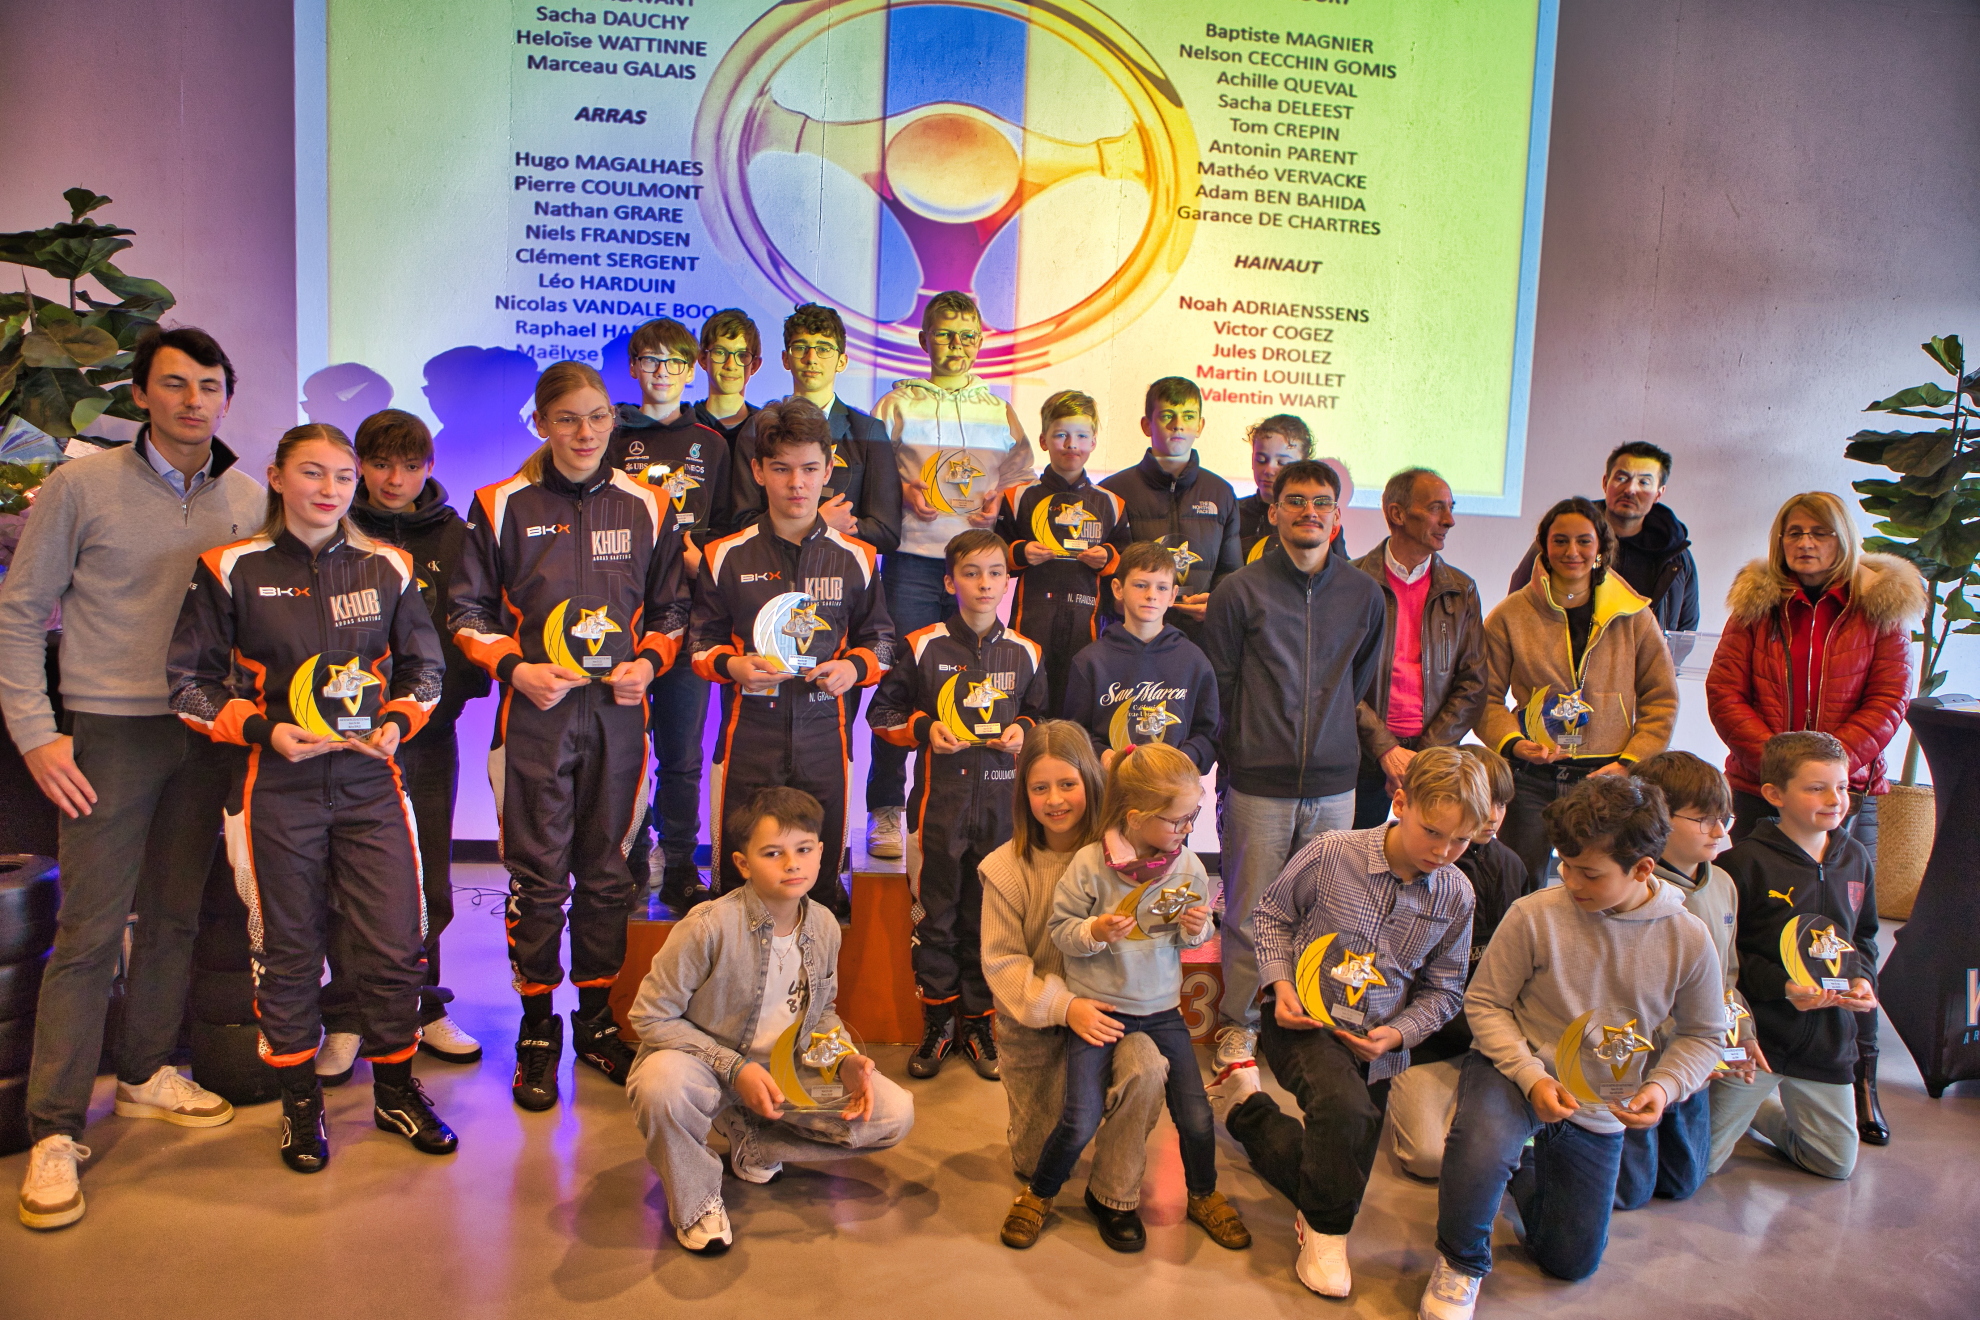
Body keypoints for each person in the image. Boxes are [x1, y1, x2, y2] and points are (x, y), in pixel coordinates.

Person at [4, 326, 262, 1231]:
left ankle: (147, 1071)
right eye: (175, 384)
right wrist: (38, 735)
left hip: (203, 732)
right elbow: (20, 612)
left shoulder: (248, 498)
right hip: (109, 734)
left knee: (175, 913)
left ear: (227, 397)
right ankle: (54, 1127)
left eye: (210, 386)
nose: (194, 401)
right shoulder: (81, 487)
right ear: (142, 394)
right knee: (88, 930)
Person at [168, 422, 454, 1171]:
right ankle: (301, 1106)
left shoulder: (388, 564)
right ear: (277, 477)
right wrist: (264, 731)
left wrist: (397, 723)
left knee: (395, 944)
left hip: (371, 783)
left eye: (342, 476)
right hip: (277, 786)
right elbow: (188, 687)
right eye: (312, 473)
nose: (330, 490)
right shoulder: (230, 566)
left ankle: (395, 1090)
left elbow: (425, 671)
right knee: (288, 951)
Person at [449, 360, 687, 1112]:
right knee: (539, 880)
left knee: (609, 876)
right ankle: (536, 1028)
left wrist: (649, 663)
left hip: (619, 718)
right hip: (535, 718)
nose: (585, 433)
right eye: (567, 419)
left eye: (597, 417)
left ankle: (594, 1021)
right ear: (541, 424)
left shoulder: (649, 504)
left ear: (614, 420)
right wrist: (516, 669)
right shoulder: (499, 504)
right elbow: (466, 613)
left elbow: (673, 611)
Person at [1419, 776, 1723, 1320]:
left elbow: (1704, 1035)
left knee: (1570, 1261)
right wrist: (1530, 1075)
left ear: (1643, 869)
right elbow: (1485, 1004)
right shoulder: (1534, 914)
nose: (1570, 879)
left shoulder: (1689, 937)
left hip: (1600, 1094)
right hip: (1514, 1070)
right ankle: (1460, 1260)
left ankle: (1523, 1166)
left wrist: (1663, 1087)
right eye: (1565, 864)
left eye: (1590, 873)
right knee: (1481, 1144)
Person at [1221, 747, 1487, 1297]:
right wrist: (1280, 985)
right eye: (1432, 832)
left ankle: (1248, 1113)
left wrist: (1400, 1033)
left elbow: (1445, 990)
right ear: (1400, 803)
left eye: (1460, 841)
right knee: (1345, 1117)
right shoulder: (1331, 852)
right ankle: (1324, 1235)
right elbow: (1271, 915)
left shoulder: (1457, 894)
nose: (1443, 851)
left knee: (1339, 1167)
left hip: (1376, 1043)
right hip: (1302, 1021)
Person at [1705, 490, 1923, 1144]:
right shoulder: (1756, 606)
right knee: (1752, 927)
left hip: (1847, 791)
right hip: (1759, 788)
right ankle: (1741, 1059)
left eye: (1819, 534)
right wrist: (1781, 770)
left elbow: (1891, 698)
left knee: (1849, 940)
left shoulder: (1879, 609)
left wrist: (1822, 773)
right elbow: (1725, 692)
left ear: (1842, 539)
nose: (1805, 544)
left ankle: (1861, 1081)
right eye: (1794, 532)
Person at [625, 786, 915, 1255]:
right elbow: (651, 1016)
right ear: (743, 864)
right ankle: (697, 1199)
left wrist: (843, 1060)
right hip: (706, 1065)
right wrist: (735, 1068)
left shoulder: (824, 926)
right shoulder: (707, 926)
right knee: (660, 1086)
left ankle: (754, 1140)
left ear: (821, 852)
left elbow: (820, 1016)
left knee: (892, 1115)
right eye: (773, 853)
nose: (792, 864)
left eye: (804, 849)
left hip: (782, 1069)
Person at [999, 742, 1250, 1253]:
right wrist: (1094, 931)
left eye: (1192, 817)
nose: (1186, 829)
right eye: (1177, 820)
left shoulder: (1187, 866)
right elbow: (1061, 931)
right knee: (1079, 1117)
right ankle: (1039, 1194)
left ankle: (1203, 1193)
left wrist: (1198, 929)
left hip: (1161, 1011)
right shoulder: (1091, 865)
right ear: (1136, 818)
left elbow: (1186, 939)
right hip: (1100, 1011)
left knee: (1197, 1115)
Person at [1201, 459, 1386, 1078]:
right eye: (1297, 500)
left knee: (1326, 912)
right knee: (1249, 912)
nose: (1310, 511)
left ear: (1337, 516)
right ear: (1275, 510)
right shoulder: (1239, 591)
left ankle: (1307, 1022)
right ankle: (1240, 1023)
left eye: (1322, 502)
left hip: (1335, 785)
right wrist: (1244, 753)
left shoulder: (1364, 594)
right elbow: (1221, 687)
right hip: (1259, 783)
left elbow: (1359, 682)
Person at [326, 408, 491, 1074]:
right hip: (345, 735)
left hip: (426, 734)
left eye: (410, 465)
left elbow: (474, 619)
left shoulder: (456, 536)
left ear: (430, 466)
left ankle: (423, 1005)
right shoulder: (335, 528)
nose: (395, 479)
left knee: (427, 879)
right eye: (380, 464)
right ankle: (346, 1016)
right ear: (360, 466)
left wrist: (443, 702)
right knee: (345, 881)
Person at [690, 397, 893, 909]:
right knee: (737, 882)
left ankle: (814, 963)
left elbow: (883, 643)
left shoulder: (858, 557)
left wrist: (853, 668)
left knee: (820, 886)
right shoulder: (725, 554)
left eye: (809, 469)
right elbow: (699, 644)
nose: (796, 484)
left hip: (826, 738)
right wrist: (733, 665)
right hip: (748, 738)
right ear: (758, 471)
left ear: (829, 470)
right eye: (781, 469)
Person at [979, 720, 1170, 1252]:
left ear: (1091, 780)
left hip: (1113, 1016)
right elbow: (1002, 964)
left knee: (1147, 1067)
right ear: (1023, 795)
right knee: (1034, 1160)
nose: (1055, 800)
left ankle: (1114, 1193)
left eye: (1068, 784)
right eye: (1039, 787)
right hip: (1038, 1024)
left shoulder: (1125, 862)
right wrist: (1065, 1007)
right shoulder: (1004, 869)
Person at [869, 530, 1047, 1079]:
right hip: (937, 809)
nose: (984, 583)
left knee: (989, 919)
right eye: (971, 573)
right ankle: (938, 1024)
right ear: (950, 582)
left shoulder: (1027, 651)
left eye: (995, 572)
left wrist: (1023, 730)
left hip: (1002, 812)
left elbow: (1042, 717)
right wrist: (925, 728)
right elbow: (882, 714)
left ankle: (979, 1025)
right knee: (935, 919)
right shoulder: (922, 645)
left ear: (1008, 581)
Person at [864, 291, 1032, 861]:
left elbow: (1021, 473)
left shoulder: (999, 410)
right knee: (900, 682)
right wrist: (901, 490)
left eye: (967, 336)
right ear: (924, 340)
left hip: (976, 570)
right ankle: (887, 809)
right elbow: (871, 472)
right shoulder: (896, 403)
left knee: (972, 687)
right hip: (913, 562)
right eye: (944, 334)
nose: (956, 345)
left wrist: (1001, 497)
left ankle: (959, 810)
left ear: (981, 342)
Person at [1706, 732, 1878, 1183]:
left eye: (1842, 787)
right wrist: (1781, 986)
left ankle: (1762, 1114)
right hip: (1759, 1041)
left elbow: (1864, 937)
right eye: (1816, 788)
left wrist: (1863, 981)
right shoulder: (1741, 864)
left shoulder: (1856, 858)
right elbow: (1725, 956)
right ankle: (1748, 1104)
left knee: (1834, 1163)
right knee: (1698, 1165)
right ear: (1774, 794)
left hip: (1827, 1042)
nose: (1835, 799)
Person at [1481, 496, 1678, 887]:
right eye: (1560, 540)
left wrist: (1629, 763)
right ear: (1544, 546)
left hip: (1608, 777)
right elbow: (1484, 697)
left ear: (1601, 547)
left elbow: (1661, 700)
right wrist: (1514, 743)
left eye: (1584, 541)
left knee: (1602, 884)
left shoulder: (1634, 615)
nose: (1572, 551)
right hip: (1531, 776)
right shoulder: (1509, 615)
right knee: (1520, 884)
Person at [605, 317, 732, 909]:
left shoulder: (712, 443)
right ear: (634, 367)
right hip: (621, 623)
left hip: (689, 618)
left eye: (675, 363)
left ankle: (680, 861)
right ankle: (630, 857)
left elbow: (731, 530)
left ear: (691, 371)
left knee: (681, 755)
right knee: (625, 751)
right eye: (651, 361)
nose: (662, 372)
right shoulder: (608, 436)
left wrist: (700, 559)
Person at [1613, 751, 1754, 1208]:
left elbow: (1727, 975)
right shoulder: (1627, 888)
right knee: (1629, 1192)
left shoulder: (1723, 885)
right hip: (1636, 1057)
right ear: (1656, 818)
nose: (1719, 831)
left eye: (1724, 819)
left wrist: (1741, 1031)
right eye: (1704, 820)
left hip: (1695, 1055)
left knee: (1682, 1182)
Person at [1385, 745, 1533, 1181]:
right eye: (1484, 803)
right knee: (1430, 1159)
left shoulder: (1512, 866)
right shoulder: (1423, 864)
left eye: (1501, 803)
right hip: (1426, 1043)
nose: (1493, 816)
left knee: (1507, 1152)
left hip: (1492, 1043)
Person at [1350, 467, 1486, 829]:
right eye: (1436, 508)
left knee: (1427, 858)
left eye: (1451, 508)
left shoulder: (1462, 589)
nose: (1450, 520)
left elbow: (1473, 684)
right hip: (1360, 753)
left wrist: (1421, 758)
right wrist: (1385, 748)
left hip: (1434, 756)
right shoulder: (1351, 582)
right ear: (1397, 514)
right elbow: (1335, 678)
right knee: (1351, 859)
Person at [728, 302, 903, 556]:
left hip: (841, 569)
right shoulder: (757, 429)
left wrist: (828, 530)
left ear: (842, 361)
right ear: (785, 359)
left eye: (823, 349)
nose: (811, 359)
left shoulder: (867, 432)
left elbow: (886, 532)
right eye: (801, 348)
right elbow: (741, 523)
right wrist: (818, 525)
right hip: (772, 568)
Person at [995, 390, 1126, 717]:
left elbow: (1127, 560)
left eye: (1081, 436)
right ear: (1043, 441)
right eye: (1061, 435)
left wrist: (1108, 558)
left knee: (1078, 708)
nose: (1071, 444)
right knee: (1028, 705)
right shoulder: (1017, 497)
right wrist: (1021, 552)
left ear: (1093, 442)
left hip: (1087, 621)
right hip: (1032, 617)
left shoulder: (1111, 502)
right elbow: (996, 557)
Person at [1098, 377, 1242, 642]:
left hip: (1201, 638)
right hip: (1132, 637)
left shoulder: (1221, 492)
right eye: (1167, 415)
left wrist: (1216, 603)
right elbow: (1103, 570)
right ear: (1146, 425)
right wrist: (1119, 604)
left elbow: (1231, 572)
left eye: (1188, 416)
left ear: (1200, 426)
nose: (1178, 424)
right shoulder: (1112, 491)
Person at [1507, 441, 1700, 633]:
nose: (1630, 489)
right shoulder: (1562, 538)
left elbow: (1686, 629)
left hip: (1645, 653)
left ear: (1658, 493)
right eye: (1622, 478)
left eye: (1644, 482)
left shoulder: (1675, 556)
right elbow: (1517, 604)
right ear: (1605, 483)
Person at [1062, 541, 1219, 773]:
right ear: (1118, 589)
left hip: (1173, 786)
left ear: (1173, 594)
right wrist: (1103, 755)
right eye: (1140, 585)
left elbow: (1209, 735)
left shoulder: (1194, 661)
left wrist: (1182, 759)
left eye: (1162, 588)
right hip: (1110, 786)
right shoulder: (1090, 661)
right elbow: (1075, 733)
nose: (1151, 595)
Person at [1236, 414, 1310, 560]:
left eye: (1282, 463)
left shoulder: (1314, 517)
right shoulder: (1234, 513)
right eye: (1261, 460)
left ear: (1304, 465)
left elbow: (1341, 568)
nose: (1269, 470)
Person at [691, 308, 763, 444]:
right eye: (720, 352)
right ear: (702, 359)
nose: (730, 365)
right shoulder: (685, 425)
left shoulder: (767, 429)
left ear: (754, 365)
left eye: (742, 355)